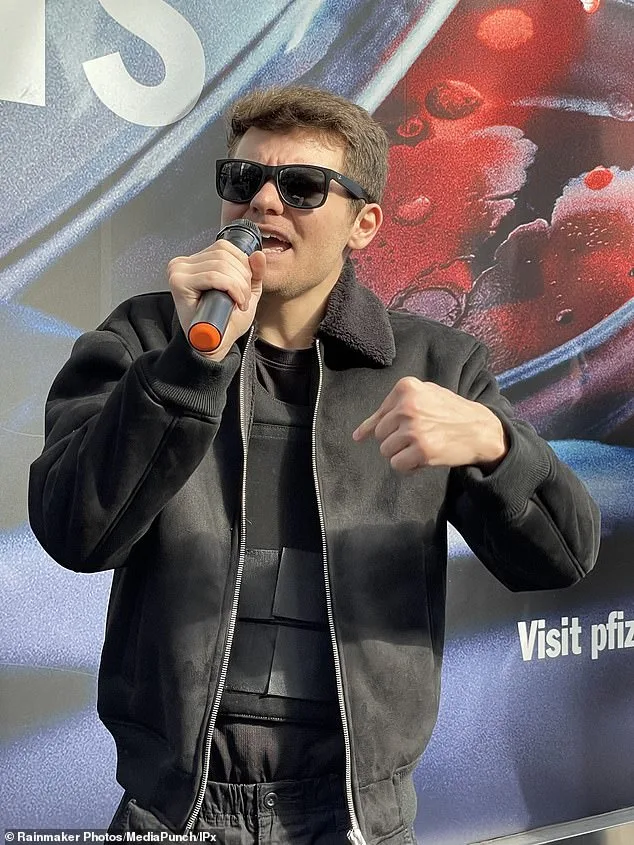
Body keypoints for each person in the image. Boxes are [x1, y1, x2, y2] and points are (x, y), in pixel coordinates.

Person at [28, 86, 601, 845]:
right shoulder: (144, 339)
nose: (264, 202)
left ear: (364, 223)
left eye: (301, 186)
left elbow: (562, 556)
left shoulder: (437, 364)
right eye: (243, 179)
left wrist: (500, 446)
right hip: (177, 811)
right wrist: (188, 366)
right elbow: (75, 530)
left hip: (355, 817)